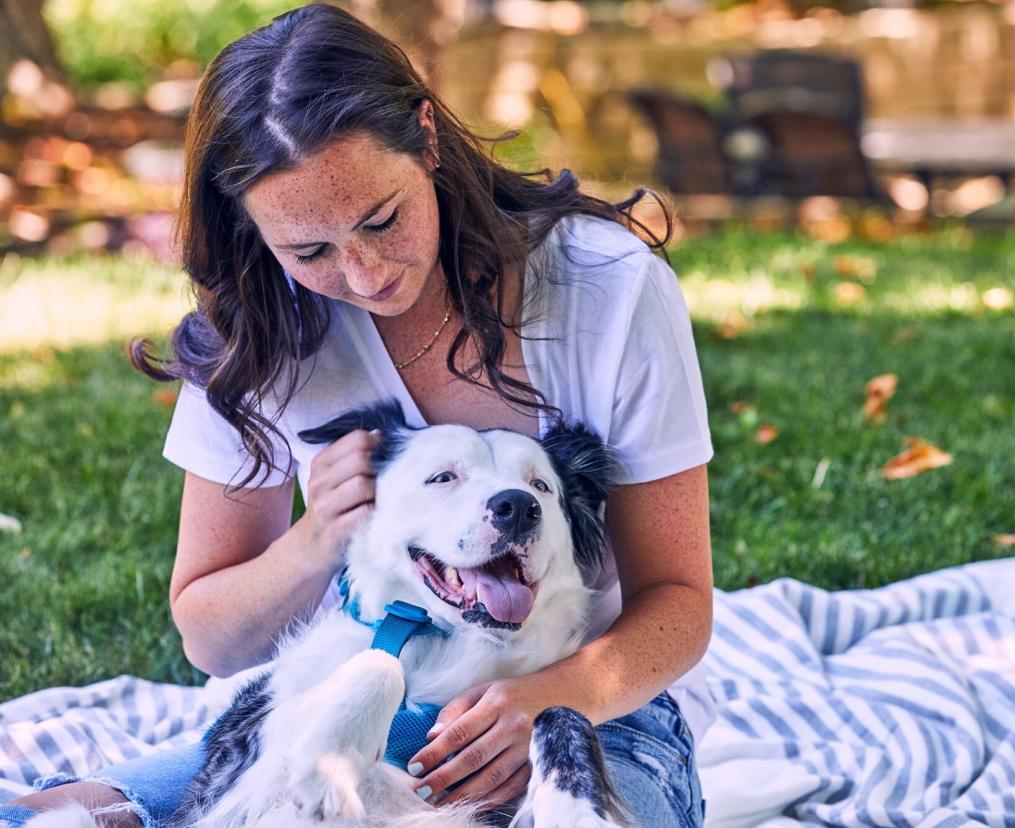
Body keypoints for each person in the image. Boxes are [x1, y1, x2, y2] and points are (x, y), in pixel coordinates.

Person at [3, 3, 714, 826]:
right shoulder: (257, 333)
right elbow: (212, 640)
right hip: (347, 693)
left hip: (594, 706)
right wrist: (318, 538)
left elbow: (679, 600)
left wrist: (549, 697)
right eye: (310, 251)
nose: (367, 272)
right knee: (52, 817)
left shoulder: (609, 288)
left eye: (383, 218)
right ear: (254, 230)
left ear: (428, 136)